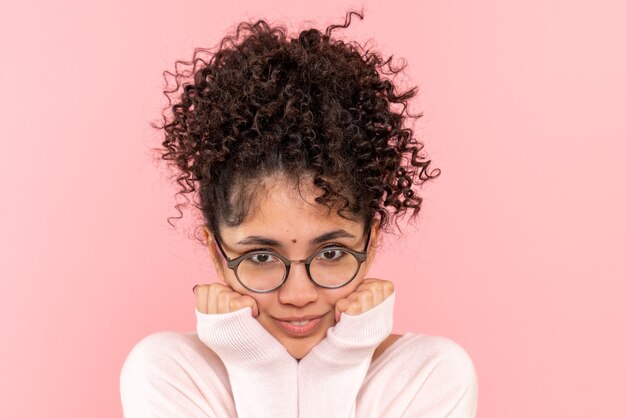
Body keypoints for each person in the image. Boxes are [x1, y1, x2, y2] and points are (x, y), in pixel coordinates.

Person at [120, 9, 478, 418]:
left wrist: (338, 362)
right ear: (218, 253)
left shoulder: (430, 375)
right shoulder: (169, 372)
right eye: (260, 257)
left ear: (370, 243)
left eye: (330, 254)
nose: (298, 296)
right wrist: (254, 364)